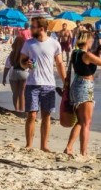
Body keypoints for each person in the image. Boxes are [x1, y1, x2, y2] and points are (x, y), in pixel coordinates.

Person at [19, 18, 66, 152]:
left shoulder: (54, 44)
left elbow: (59, 64)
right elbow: (21, 61)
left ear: (41, 28)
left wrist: (65, 82)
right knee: (31, 115)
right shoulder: (28, 44)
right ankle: (29, 144)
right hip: (32, 84)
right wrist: (25, 64)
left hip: (49, 85)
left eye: (33, 27)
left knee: (46, 116)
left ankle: (44, 145)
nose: (31, 29)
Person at [63, 30, 101, 158]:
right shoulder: (86, 55)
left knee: (81, 121)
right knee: (86, 123)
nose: (92, 42)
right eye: (91, 40)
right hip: (85, 86)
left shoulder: (75, 53)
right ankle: (83, 152)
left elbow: (88, 65)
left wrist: (98, 51)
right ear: (87, 40)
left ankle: (69, 147)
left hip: (76, 84)